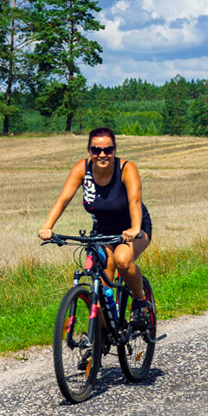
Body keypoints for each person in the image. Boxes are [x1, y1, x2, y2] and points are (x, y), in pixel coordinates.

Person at [39, 128, 153, 327]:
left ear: (115, 150)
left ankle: (139, 301)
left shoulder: (126, 168)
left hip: (133, 225)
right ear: (89, 151)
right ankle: (101, 337)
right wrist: (47, 227)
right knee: (100, 286)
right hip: (103, 228)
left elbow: (135, 201)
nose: (102, 154)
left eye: (108, 149)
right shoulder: (82, 169)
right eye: (96, 149)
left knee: (123, 260)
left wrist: (135, 229)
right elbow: (64, 198)